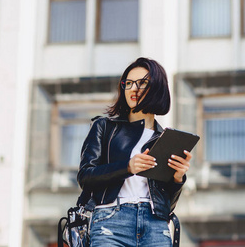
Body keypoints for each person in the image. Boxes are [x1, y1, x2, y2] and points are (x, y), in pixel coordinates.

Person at [77, 57, 192, 247]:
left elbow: (167, 206)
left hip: (155, 225)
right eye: (128, 83)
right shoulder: (105, 127)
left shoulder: (165, 139)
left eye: (142, 83)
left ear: (158, 87)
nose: (133, 88)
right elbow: (85, 177)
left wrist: (178, 178)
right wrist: (127, 167)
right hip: (111, 221)